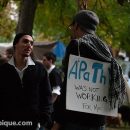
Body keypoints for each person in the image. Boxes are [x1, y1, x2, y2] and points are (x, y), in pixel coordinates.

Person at [52, 10, 126, 130]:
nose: (71, 29)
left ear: (76, 25)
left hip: (75, 119)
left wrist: (59, 119)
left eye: (72, 26)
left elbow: (69, 84)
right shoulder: (106, 48)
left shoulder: (76, 45)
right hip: (98, 120)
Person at [0, 33, 53, 130]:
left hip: (33, 125)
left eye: (31, 43)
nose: (29, 45)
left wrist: (42, 122)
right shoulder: (3, 70)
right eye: (25, 41)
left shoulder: (40, 69)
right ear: (15, 44)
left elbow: (47, 97)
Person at [42, 52, 62, 129]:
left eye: (44, 60)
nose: (42, 62)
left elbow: (56, 92)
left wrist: (48, 105)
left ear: (50, 61)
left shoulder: (55, 73)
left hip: (53, 108)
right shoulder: (49, 72)